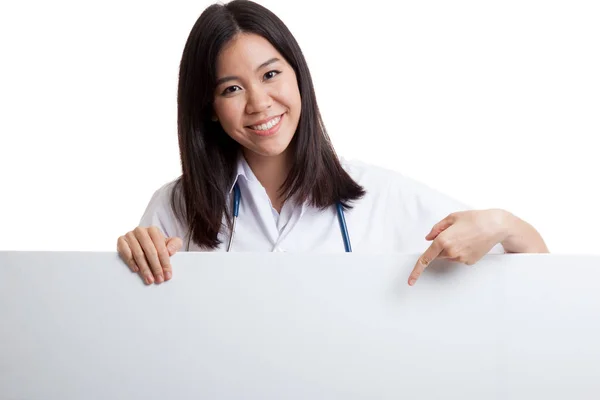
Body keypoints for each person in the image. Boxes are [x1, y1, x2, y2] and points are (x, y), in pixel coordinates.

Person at [116, 0, 549, 287]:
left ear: (298, 75)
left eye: (270, 74)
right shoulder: (175, 207)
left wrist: (502, 225)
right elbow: (140, 337)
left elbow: (540, 269)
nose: (259, 104)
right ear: (209, 106)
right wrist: (128, 262)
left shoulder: (378, 195)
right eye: (232, 89)